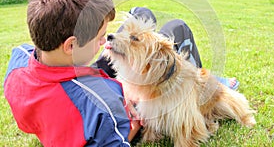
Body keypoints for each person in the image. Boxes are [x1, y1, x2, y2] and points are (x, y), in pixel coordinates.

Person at [4, 0, 141, 146]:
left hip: (62, 98)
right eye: (100, 37)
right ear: (71, 46)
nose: (103, 42)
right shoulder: (104, 104)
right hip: (90, 103)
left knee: (141, 14)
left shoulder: (19, 57)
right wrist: (134, 122)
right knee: (174, 27)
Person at [94, 7, 239, 90]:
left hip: (99, 73)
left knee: (143, 13)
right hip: (118, 80)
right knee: (179, 27)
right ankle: (203, 80)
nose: (102, 40)